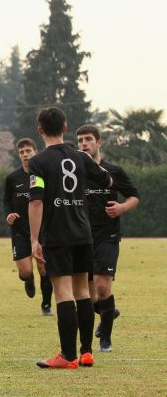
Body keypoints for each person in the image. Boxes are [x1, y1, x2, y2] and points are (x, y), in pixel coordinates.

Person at [28, 107, 112, 369]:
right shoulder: (81, 157)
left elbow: (36, 202)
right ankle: (86, 352)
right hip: (83, 234)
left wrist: (33, 239)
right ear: (65, 129)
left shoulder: (38, 162)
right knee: (83, 293)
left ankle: (67, 356)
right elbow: (107, 180)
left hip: (58, 235)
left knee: (63, 294)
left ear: (40, 130)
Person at [76, 124, 140, 353]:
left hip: (107, 236)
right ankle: (108, 312)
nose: (84, 144)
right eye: (80, 140)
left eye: (88, 140)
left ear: (98, 143)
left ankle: (106, 338)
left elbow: (134, 196)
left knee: (103, 288)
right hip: (81, 237)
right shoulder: (74, 173)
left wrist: (122, 207)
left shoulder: (113, 170)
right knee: (88, 295)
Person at [3, 138, 54, 315]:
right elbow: (6, 201)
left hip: (42, 231)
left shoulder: (43, 175)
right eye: (22, 152)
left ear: (36, 152)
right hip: (20, 231)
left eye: (28, 151)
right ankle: (28, 279)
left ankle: (46, 305)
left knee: (44, 269)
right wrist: (8, 214)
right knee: (25, 272)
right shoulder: (12, 178)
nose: (25, 155)